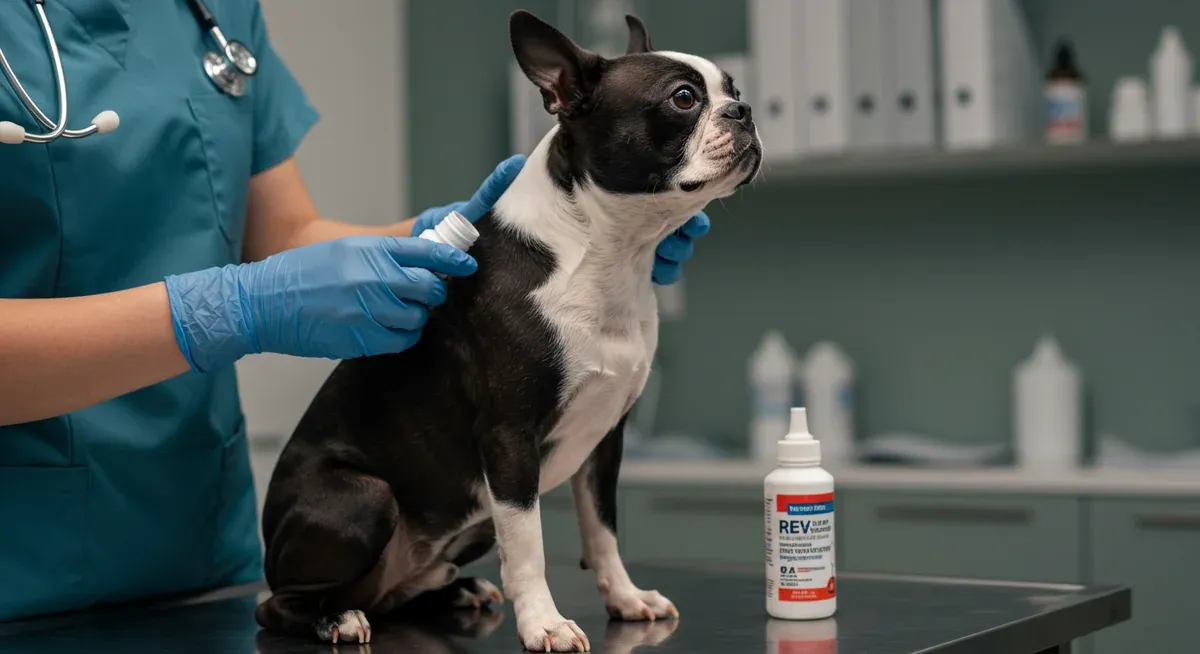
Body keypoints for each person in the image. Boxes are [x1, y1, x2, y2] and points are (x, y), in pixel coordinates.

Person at [0, 1, 710, 622]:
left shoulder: (212, 9)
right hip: (20, 564)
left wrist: (467, 241)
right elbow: (261, 278)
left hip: (203, 546)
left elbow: (284, 235)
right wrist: (226, 309)